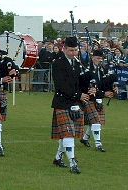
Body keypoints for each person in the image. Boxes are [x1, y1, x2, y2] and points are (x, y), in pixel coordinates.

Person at [51, 36, 87, 174]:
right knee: (68, 133)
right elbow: (61, 85)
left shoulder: (78, 63)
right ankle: (72, 162)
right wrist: (78, 95)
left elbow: (81, 82)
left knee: (67, 134)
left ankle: (58, 158)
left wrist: (90, 86)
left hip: (75, 104)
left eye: (75, 50)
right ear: (64, 49)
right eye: (71, 50)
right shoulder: (58, 63)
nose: (73, 53)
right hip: (62, 102)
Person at [79, 49, 117, 152]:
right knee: (96, 120)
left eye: (101, 58)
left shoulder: (101, 69)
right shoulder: (86, 69)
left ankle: (85, 138)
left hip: (98, 99)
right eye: (97, 58)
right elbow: (86, 86)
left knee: (95, 120)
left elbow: (103, 84)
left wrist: (112, 88)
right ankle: (98, 144)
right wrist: (103, 93)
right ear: (92, 58)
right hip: (88, 98)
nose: (99, 60)